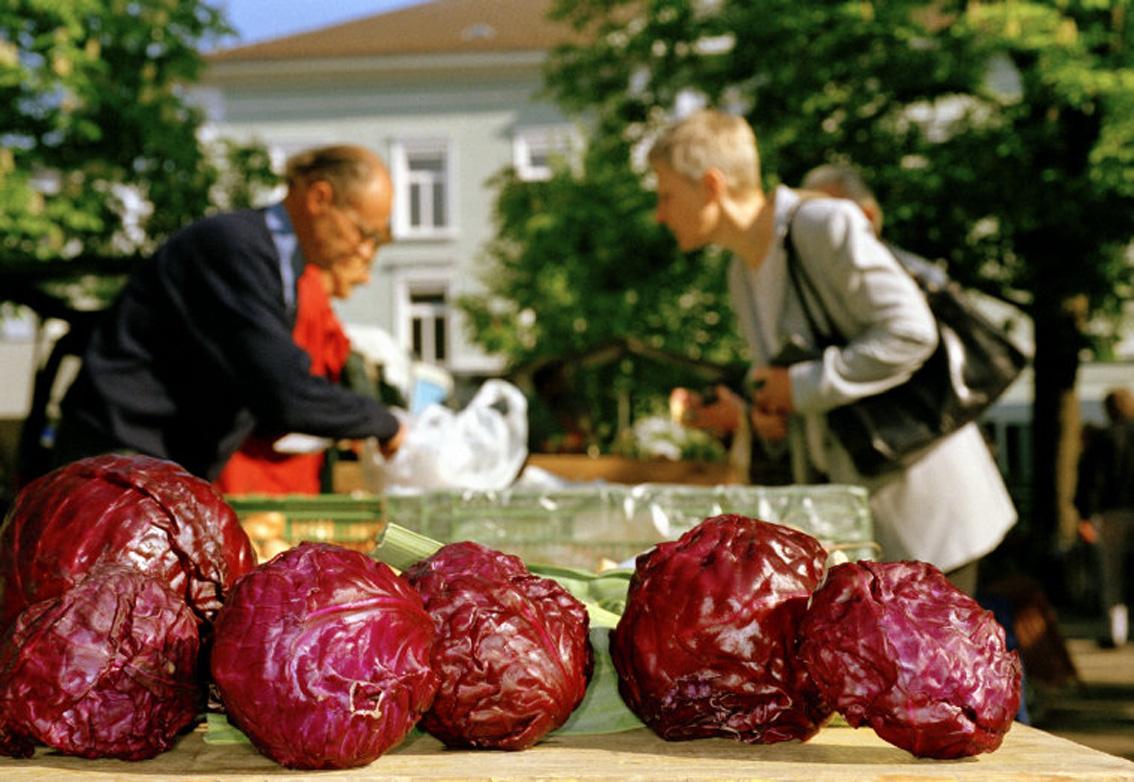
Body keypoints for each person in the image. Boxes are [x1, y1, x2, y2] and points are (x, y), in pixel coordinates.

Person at [652, 110, 1016, 593]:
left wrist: (798, 388)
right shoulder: (741, 274)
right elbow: (808, 401)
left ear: (711, 185)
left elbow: (910, 333)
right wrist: (761, 418)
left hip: (929, 515)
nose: (659, 213)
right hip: (868, 531)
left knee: (949, 666)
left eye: (665, 194)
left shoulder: (822, 225)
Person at [53, 145, 405, 481]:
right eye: (363, 232)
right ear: (319, 198)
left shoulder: (278, 268)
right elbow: (283, 390)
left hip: (158, 461)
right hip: (120, 458)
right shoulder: (235, 248)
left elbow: (260, 391)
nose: (363, 249)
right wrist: (385, 424)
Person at [1074, 387, 1134, 648]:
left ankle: (1115, 631)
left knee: (1111, 575)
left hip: (1110, 514)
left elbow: (1090, 481)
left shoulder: (1101, 439)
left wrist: (1085, 515)